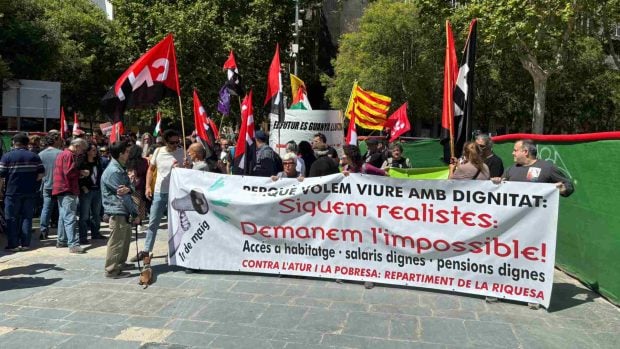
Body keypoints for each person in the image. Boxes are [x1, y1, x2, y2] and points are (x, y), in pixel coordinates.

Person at [132, 129, 184, 261]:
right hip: (160, 191)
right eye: (172, 142)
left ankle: (172, 251)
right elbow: (151, 169)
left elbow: (188, 171)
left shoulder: (182, 153)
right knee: (153, 221)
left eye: (177, 142)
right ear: (166, 142)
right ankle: (146, 250)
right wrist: (148, 186)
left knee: (174, 223)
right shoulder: (158, 152)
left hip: (176, 193)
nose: (175, 145)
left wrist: (186, 166)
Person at [341, 144, 385, 289]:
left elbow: (386, 176)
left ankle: (369, 275)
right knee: (351, 242)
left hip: (367, 213)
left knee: (367, 244)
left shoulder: (366, 168)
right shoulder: (346, 169)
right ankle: (348, 271)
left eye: (344, 155)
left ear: (350, 156)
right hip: (351, 212)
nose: (342, 157)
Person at [101, 140, 140, 278]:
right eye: (127, 151)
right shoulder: (114, 171)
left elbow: (130, 189)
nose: (129, 154)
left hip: (123, 209)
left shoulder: (120, 168)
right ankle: (112, 270)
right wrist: (135, 213)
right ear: (121, 154)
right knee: (117, 241)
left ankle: (120, 263)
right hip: (118, 209)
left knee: (124, 239)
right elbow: (124, 195)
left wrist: (130, 188)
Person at [0, 133, 44, 251]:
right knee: (27, 217)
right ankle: (25, 244)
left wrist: (0, 191)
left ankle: (13, 244)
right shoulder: (34, 156)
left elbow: (1, 175)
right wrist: (32, 182)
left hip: (12, 192)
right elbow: (41, 174)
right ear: (26, 143)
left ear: (14, 143)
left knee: (11, 218)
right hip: (30, 192)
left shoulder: (7, 156)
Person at [499, 139, 574, 197]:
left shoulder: (547, 168)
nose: (513, 153)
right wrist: (496, 183)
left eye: (515, 150)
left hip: (538, 215)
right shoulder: (511, 169)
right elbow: (500, 187)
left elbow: (569, 186)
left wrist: (563, 189)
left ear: (525, 152)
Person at [53, 137, 89, 253]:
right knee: (70, 217)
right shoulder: (69, 155)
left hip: (61, 188)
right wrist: (81, 173)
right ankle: (73, 244)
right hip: (68, 188)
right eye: (82, 150)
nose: (82, 153)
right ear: (77, 146)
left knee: (63, 216)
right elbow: (69, 172)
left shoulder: (62, 154)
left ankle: (62, 240)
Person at [78, 142, 106, 243]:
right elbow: (77, 176)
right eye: (93, 150)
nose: (96, 152)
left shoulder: (98, 162)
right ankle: (83, 237)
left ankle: (95, 233)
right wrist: (83, 186)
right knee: (84, 215)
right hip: (86, 191)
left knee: (96, 214)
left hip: (97, 191)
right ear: (88, 152)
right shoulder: (82, 162)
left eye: (96, 150)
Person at [38, 131, 63, 240]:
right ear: (56, 140)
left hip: (46, 185)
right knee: (62, 209)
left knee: (46, 209)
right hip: (60, 185)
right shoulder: (61, 153)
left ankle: (43, 231)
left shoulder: (41, 154)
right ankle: (62, 233)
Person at [126, 145, 149, 225]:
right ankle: (138, 221)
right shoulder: (143, 161)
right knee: (140, 204)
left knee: (137, 204)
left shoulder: (128, 161)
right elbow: (145, 172)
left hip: (132, 186)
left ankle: (136, 221)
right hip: (141, 185)